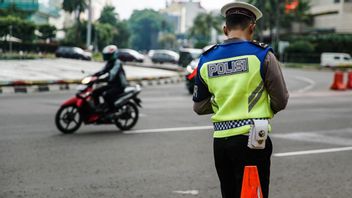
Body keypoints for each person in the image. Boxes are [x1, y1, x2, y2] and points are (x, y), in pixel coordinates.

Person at [192, 2, 289, 198]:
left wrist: (225, 102)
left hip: (220, 142)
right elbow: (281, 99)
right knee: (253, 194)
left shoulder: (206, 59)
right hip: (252, 140)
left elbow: (199, 106)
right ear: (252, 27)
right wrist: (259, 107)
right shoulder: (262, 55)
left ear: (225, 28)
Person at [92, 45, 128, 111]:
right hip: (111, 85)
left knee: (106, 95)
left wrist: (99, 79)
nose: (107, 57)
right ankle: (98, 109)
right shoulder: (109, 62)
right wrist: (93, 76)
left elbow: (112, 74)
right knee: (95, 92)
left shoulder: (117, 63)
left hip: (119, 85)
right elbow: (102, 71)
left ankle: (112, 111)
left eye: (108, 55)